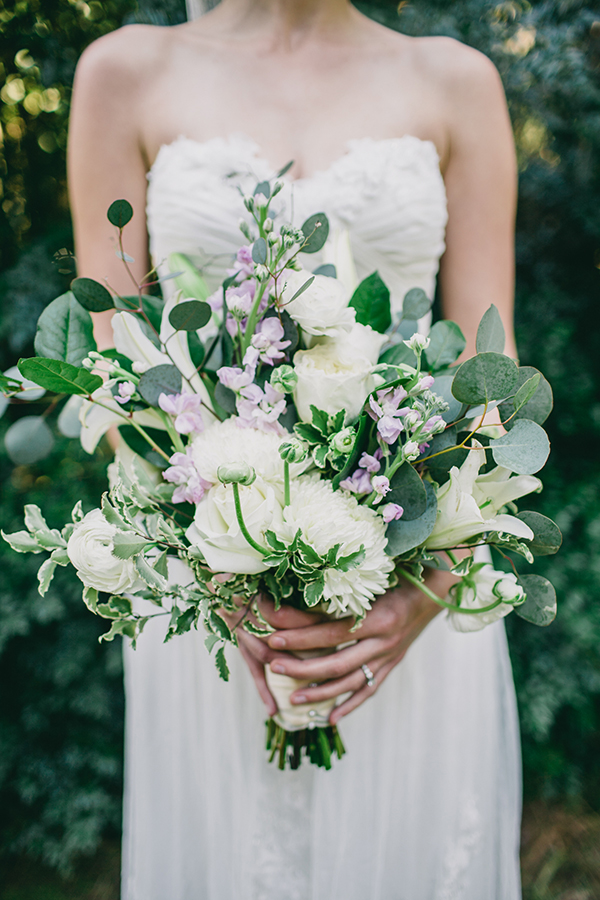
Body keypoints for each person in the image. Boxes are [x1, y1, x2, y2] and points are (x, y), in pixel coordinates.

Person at [68, 1, 522, 897]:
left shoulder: (458, 81)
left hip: (407, 592)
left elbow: (485, 372)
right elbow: (115, 369)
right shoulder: (124, 72)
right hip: (212, 608)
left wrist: (429, 585)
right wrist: (224, 572)